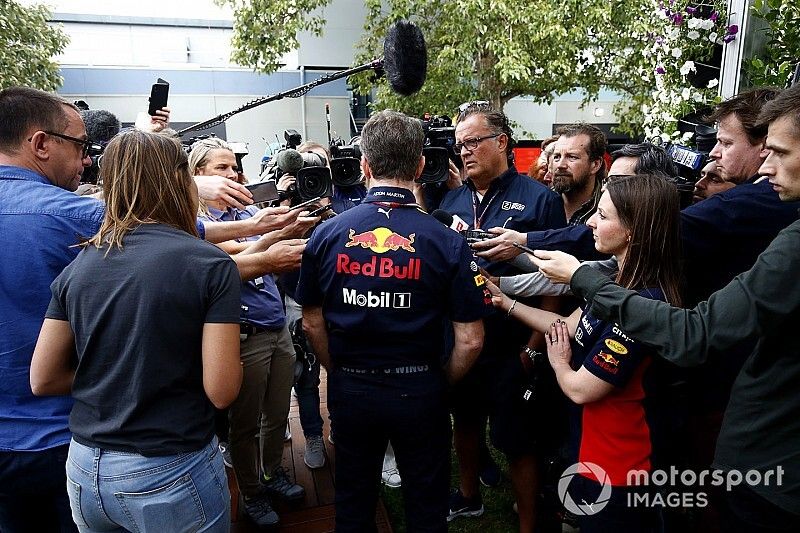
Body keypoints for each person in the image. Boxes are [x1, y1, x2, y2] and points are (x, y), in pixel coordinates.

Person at [530, 82, 800, 532]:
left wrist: (580, 283)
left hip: (727, 473)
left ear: (638, 225)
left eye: (780, 152)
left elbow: (693, 335)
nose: (766, 166)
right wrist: (505, 299)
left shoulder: (645, 296)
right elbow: (568, 323)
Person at [29, 129, 243, 532]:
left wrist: (113, 373)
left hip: (84, 469)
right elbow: (222, 389)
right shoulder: (209, 265)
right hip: (169, 467)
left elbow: (43, 378)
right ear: (181, 179)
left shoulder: (80, 265)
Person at [297, 109, 490, 532]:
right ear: (421, 165)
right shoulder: (447, 241)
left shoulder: (327, 234)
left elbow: (312, 323)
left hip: (353, 385)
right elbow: (471, 340)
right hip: (420, 387)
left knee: (353, 502)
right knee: (427, 506)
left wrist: (338, 370)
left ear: (365, 166)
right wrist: (440, 381)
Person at [490, 174, 682, 532]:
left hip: (619, 468)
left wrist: (559, 361)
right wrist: (505, 301)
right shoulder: (614, 286)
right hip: (591, 451)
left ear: (634, 232)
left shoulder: (643, 305)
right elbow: (566, 325)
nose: (590, 221)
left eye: (604, 216)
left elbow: (581, 387)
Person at [439, 102, 565, 531]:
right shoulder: (451, 198)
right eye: (460, 145)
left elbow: (557, 280)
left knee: (518, 440)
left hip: (515, 343)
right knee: (466, 421)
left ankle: (528, 522)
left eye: (473, 142)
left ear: (502, 142)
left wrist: (532, 349)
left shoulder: (540, 198)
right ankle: (469, 495)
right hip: (464, 338)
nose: (465, 152)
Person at [190, 137, 311, 528]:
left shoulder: (247, 211)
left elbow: (263, 250)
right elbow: (233, 260)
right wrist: (271, 240)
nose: (232, 175)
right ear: (198, 176)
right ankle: (252, 493)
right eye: (220, 168)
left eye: (233, 167)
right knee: (244, 425)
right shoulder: (196, 225)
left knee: (276, 415)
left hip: (276, 327)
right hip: (243, 335)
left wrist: (288, 225)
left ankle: (273, 473)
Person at [0, 86, 103, 532]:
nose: (85, 161)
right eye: (80, 146)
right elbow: (164, 242)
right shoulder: (71, 215)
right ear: (41, 144)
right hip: (57, 437)